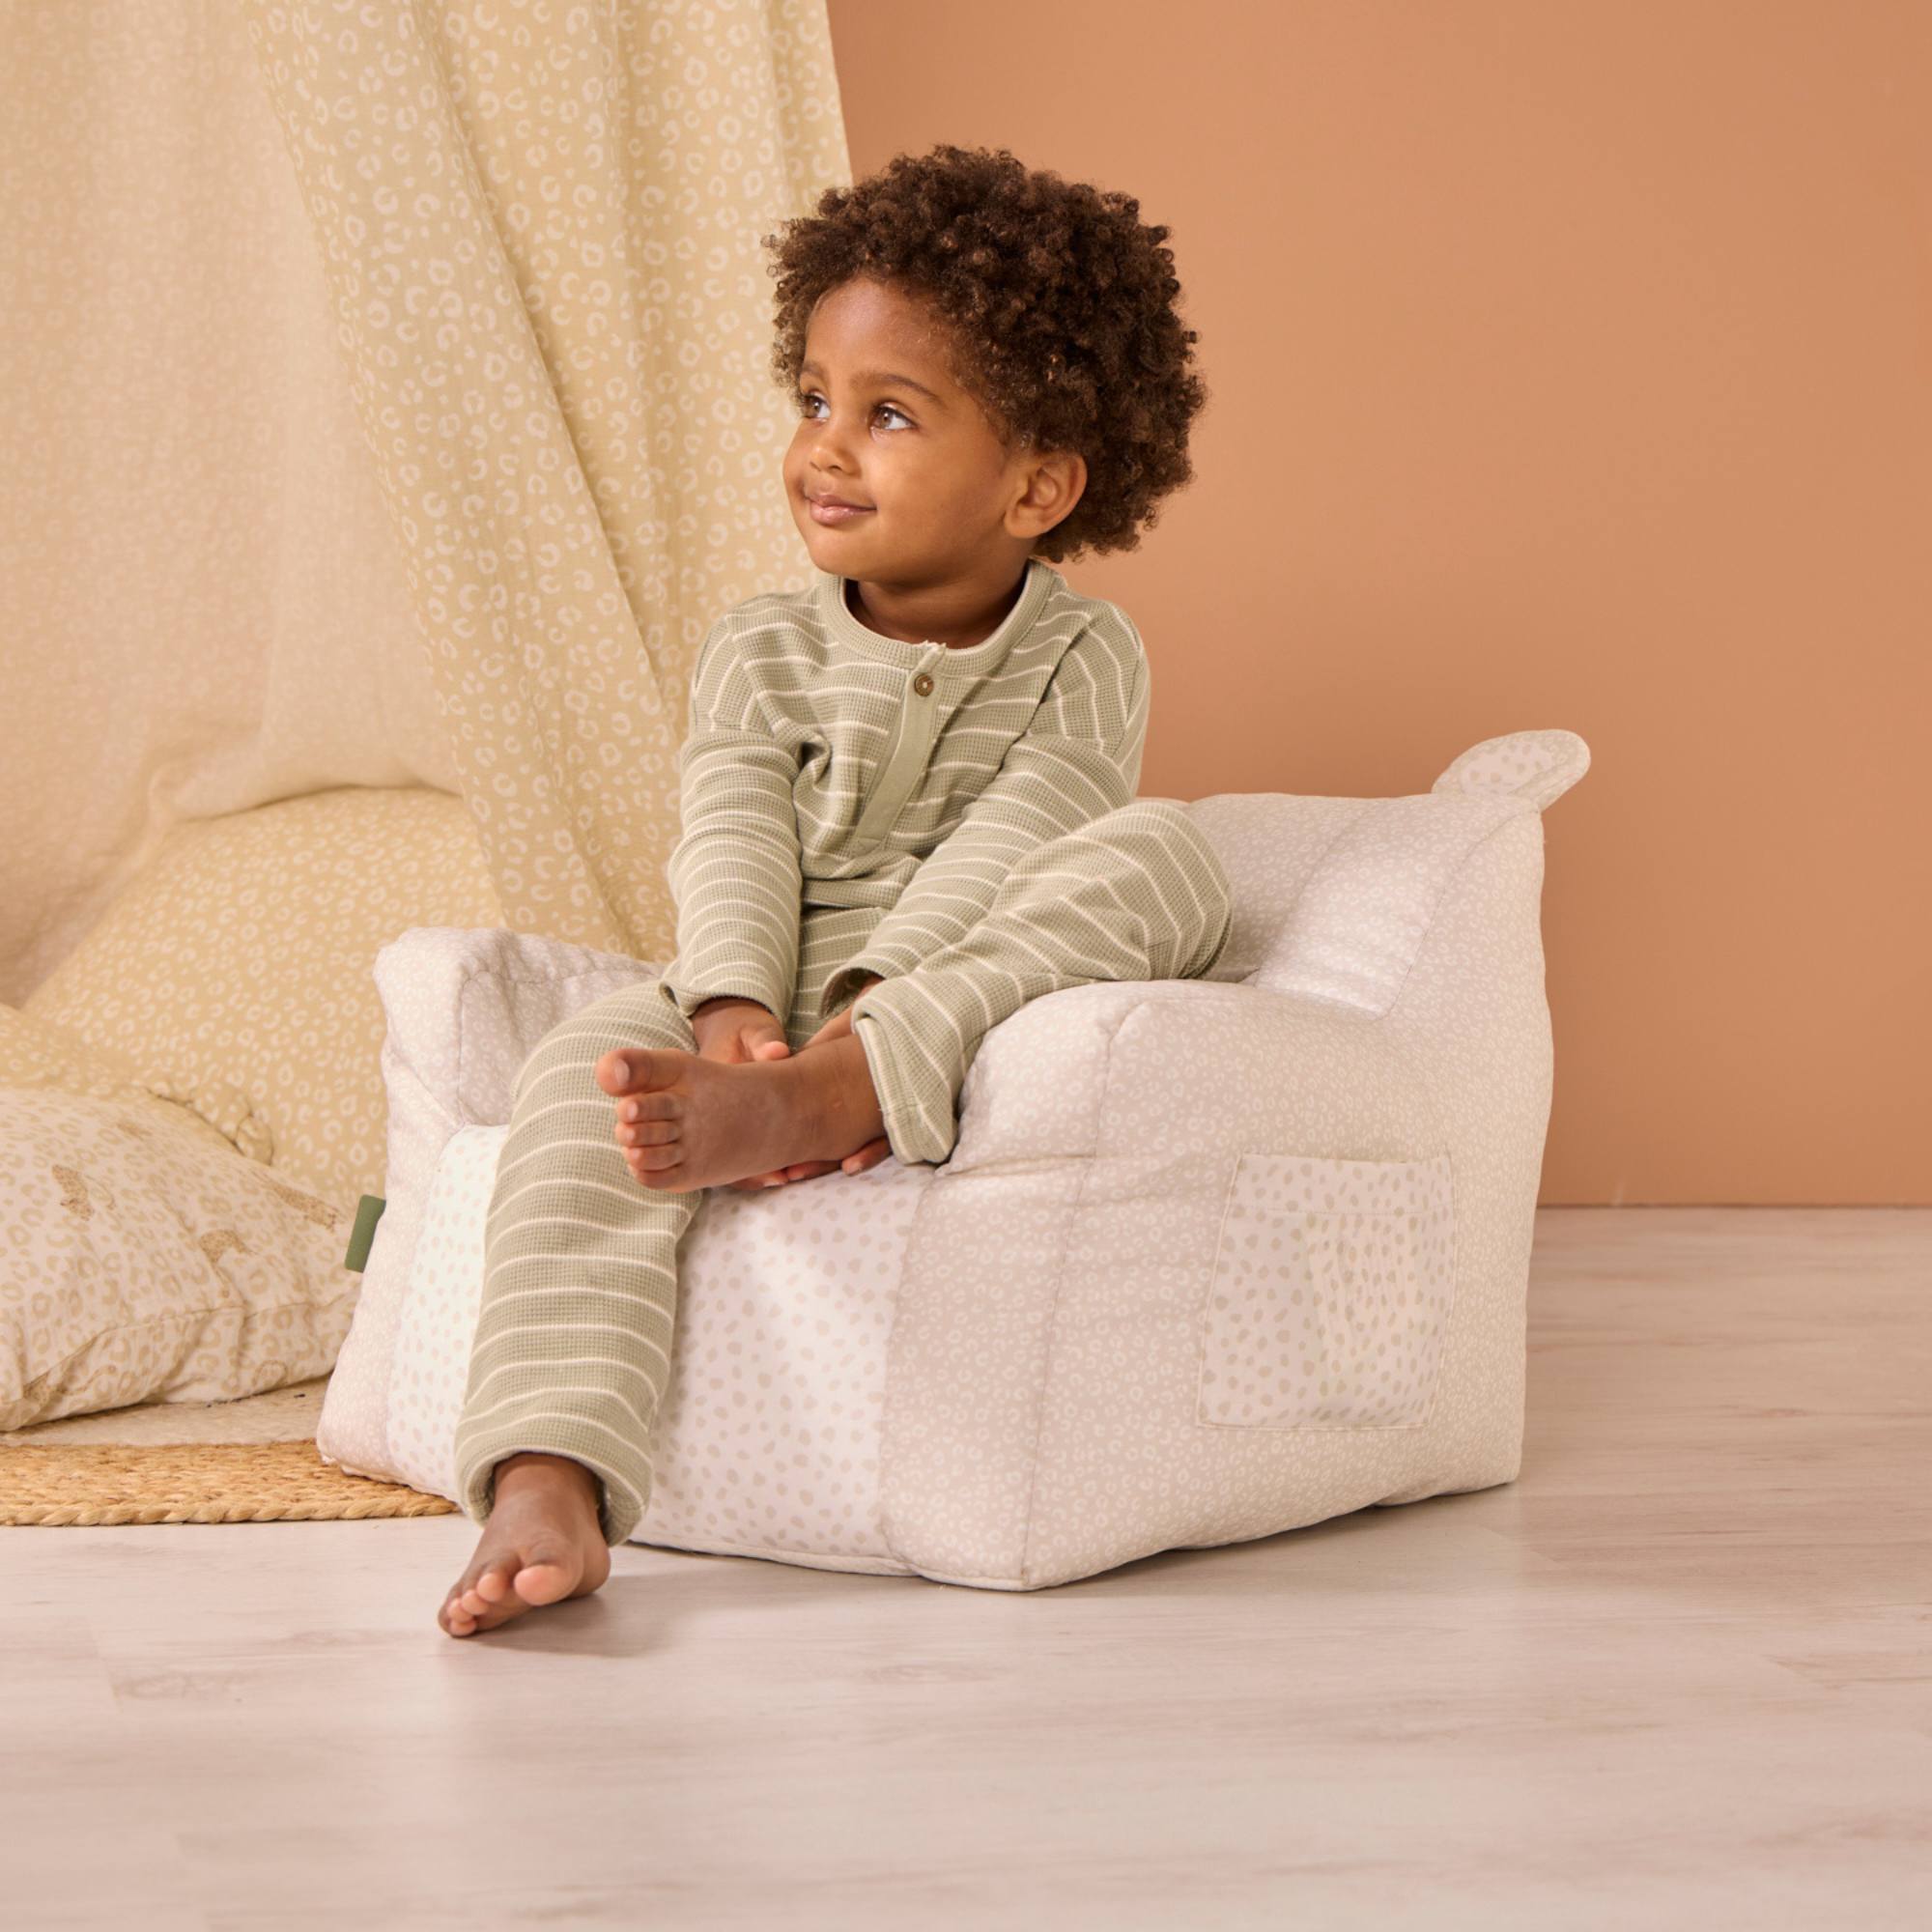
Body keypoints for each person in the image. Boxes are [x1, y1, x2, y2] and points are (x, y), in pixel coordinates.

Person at [439, 143, 1236, 1636]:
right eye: (814, 399)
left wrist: (857, 1027)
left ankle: (841, 1093)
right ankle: (548, 1473)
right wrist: (732, 1010)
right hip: (755, 984)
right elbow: (731, 831)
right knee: (575, 1081)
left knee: (1164, 856)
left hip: (954, 996)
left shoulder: (1084, 656)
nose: (825, 447)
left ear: (1037, 484)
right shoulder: (760, 647)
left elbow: (1019, 847)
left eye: (889, 415)